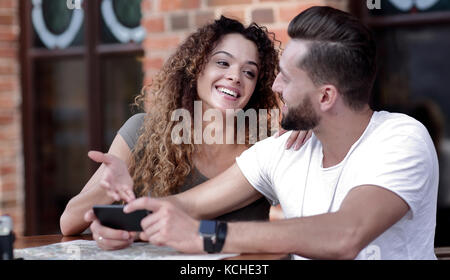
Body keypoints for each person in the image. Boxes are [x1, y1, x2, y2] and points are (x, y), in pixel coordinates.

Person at [95, 6, 439, 260]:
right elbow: (185, 206)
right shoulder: (285, 149)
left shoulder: (400, 138)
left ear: (325, 96)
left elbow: (346, 234)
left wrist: (207, 235)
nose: (273, 85)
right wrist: (123, 221)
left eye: (286, 78)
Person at [61, 16, 309, 249]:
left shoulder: (265, 144)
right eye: (223, 62)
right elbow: (69, 222)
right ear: (195, 67)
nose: (235, 77)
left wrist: (313, 127)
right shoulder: (144, 131)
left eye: (249, 72)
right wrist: (109, 195)